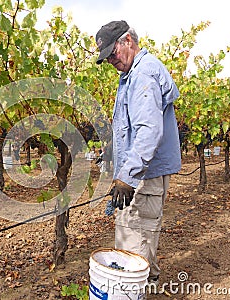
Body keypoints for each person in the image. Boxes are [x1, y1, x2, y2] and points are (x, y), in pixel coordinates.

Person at [95, 20, 182, 288]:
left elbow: (147, 132)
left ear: (128, 42)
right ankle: (148, 280)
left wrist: (127, 177)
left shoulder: (142, 74)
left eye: (112, 53)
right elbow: (130, 128)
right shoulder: (132, 74)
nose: (110, 60)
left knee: (133, 234)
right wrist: (111, 154)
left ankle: (134, 288)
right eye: (106, 57)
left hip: (144, 173)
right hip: (145, 170)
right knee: (144, 232)